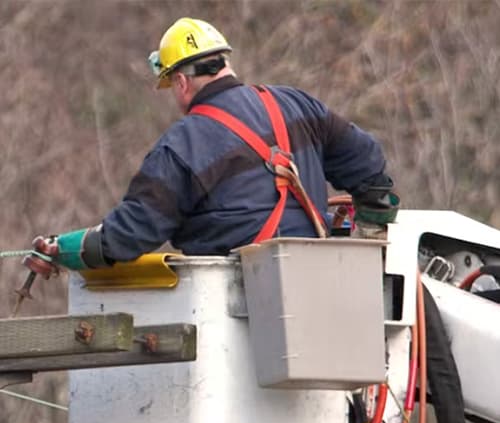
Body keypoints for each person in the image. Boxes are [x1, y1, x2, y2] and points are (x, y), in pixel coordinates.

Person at [36, 17, 399, 270]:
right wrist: (369, 238)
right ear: (224, 63)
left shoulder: (182, 145)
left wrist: (66, 249)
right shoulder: (297, 105)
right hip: (320, 281)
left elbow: (132, 234)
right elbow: (368, 164)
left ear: (180, 82)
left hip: (232, 302)